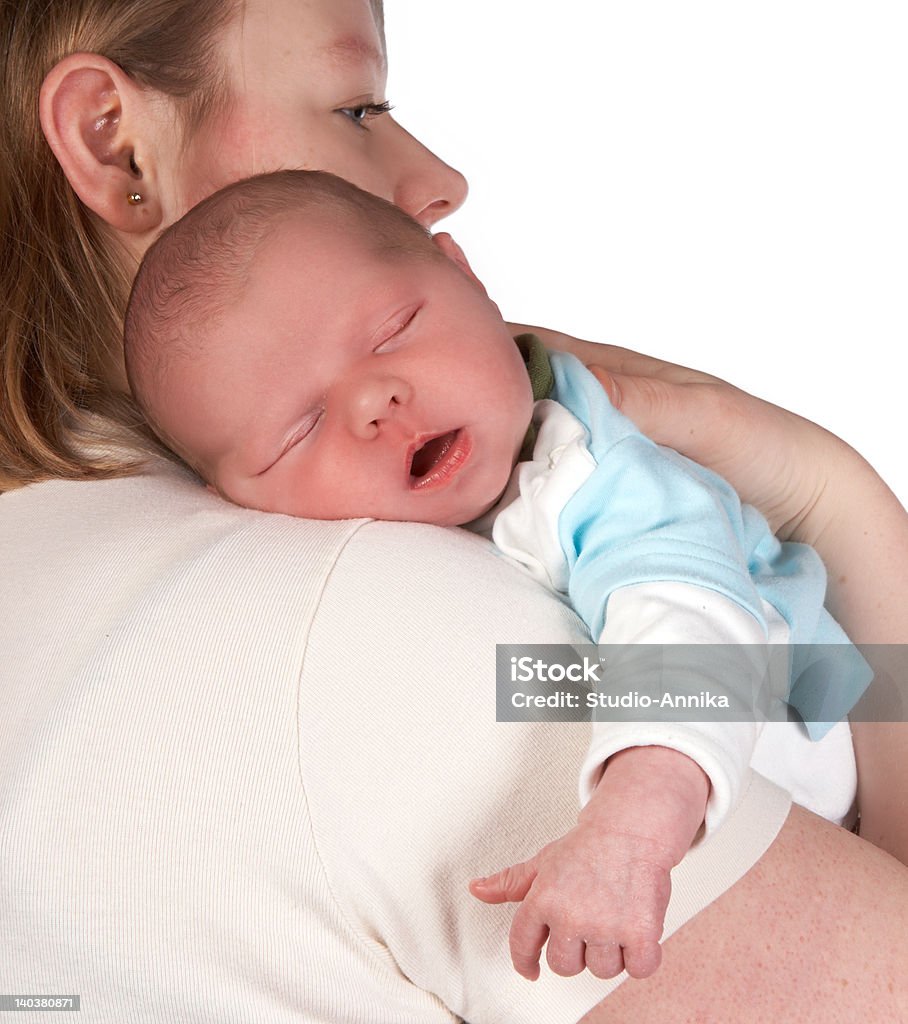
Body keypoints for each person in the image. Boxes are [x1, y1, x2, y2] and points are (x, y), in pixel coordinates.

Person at [1, 0, 907, 1020]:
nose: (441, 179)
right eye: (356, 105)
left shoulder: (50, 571)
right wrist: (835, 495)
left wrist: (825, 490)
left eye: (389, 328)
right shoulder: (381, 622)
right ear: (108, 135)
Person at [122, 167, 871, 980]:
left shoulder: (593, 475)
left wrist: (633, 824)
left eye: (393, 330)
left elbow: (692, 622)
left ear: (468, 276)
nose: (375, 400)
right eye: (299, 431)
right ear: (231, 501)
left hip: (808, 745)